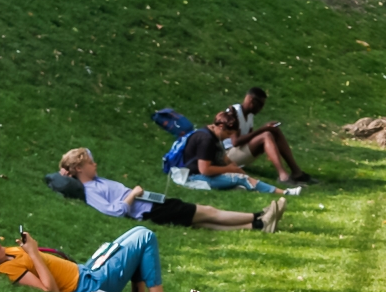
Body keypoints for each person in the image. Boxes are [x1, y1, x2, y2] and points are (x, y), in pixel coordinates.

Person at [0, 206, 184, 292]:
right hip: (90, 284)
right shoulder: (7, 268)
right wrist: (33, 252)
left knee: (133, 235)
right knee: (144, 236)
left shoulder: (4, 252)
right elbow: (49, 291)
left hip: (87, 270)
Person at [47, 148, 287, 233]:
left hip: (151, 204)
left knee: (199, 222)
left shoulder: (95, 180)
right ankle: (258, 216)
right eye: (89, 162)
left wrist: (64, 170)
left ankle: (259, 225)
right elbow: (116, 212)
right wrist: (133, 194)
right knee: (207, 211)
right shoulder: (91, 192)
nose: (95, 163)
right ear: (79, 168)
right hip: (149, 209)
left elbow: (79, 157)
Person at [183, 110, 302, 196]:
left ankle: (242, 185)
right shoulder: (206, 140)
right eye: (228, 134)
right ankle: (284, 192)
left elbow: (222, 156)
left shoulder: (212, 133)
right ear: (220, 127)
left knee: (241, 179)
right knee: (242, 179)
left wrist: (232, 165)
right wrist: (230, 170)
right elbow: (204, 169)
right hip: (195, 177)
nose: (227, 138)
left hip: (202, 175)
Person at [224, 87, 313, 185]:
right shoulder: (234, 112)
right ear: (250, 100)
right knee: (266, 134)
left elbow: (249, 137)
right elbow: (235, 142)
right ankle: (283, 176)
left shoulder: (249, 115)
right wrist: (263, 129)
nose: (261, 108)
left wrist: (269, 144)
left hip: (239, 153)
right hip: (227, 156)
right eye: (260, 105)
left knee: (274, 131)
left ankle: (297, 173)